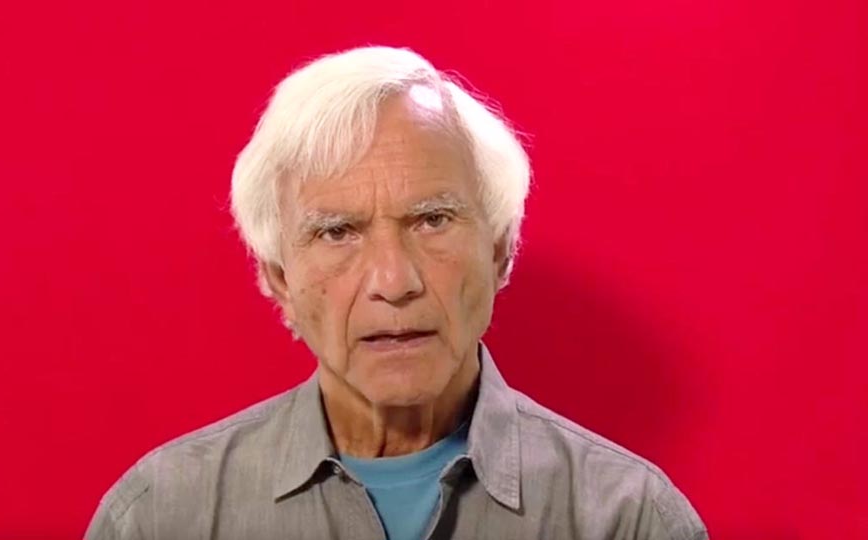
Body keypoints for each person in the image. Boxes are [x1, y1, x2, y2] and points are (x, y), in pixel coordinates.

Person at [84, 46, 708, 540]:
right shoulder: (161, 515)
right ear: (279, 278)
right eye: (337, 232)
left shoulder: (629, 519)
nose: (394, 282)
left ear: (500, 252)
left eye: (432, 220)